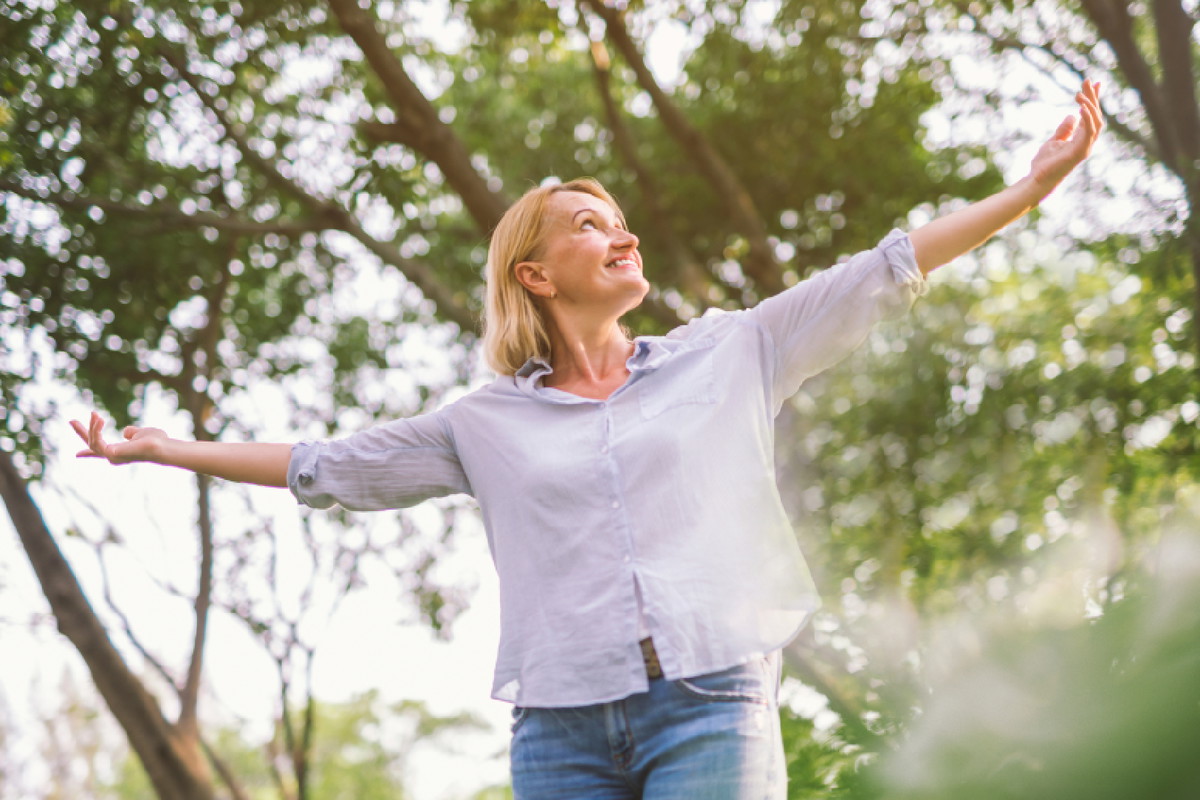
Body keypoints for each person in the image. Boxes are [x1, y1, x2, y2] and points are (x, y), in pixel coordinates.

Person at [73, 80, 1103, 799]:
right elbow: (327, 466)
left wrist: (1030, 189)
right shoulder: (484, 422)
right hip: (559, 726)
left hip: (712, 699)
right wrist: (163, 449)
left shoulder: (730, 351)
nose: (622, 233)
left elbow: (884, 268)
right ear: (535, 272)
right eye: (588, 223)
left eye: (621, 220)